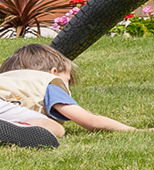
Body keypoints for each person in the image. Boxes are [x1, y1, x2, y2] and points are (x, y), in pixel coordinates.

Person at [0, 43, 137, 134]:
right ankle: (17, 128)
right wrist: (132, 130)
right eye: (68, 81)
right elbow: (91, 121)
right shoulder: (49, 83)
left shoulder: (11, 81)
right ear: (53, 72)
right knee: (55, 128)